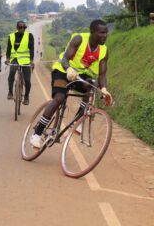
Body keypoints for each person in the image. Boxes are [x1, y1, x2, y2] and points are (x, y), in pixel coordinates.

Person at [29, 19, 114, 148]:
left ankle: (78, 121)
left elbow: (102, 74)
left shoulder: (103, 50)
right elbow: (65, 59)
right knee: (59, 97)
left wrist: (104, 89)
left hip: (79, 76)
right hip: (63, 71)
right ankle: (37, 134)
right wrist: (68, 69)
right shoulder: (79, 39)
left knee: (91, 86)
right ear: (92, 32)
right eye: (101, 33)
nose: (104, 35)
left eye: (106, 33)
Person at [5, 20, 35, 105]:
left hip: (26, 60)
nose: (22, 29)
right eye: (20, 27)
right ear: (17, 28)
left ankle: (26, 96)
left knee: (27, 80)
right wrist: (7, 58)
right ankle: (10, 92)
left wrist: (31, 60)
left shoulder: (29, 36)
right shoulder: (11, 36)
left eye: (24, 27)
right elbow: (9, 48)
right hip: (15, 58)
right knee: (11, 74)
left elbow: (32, 48)